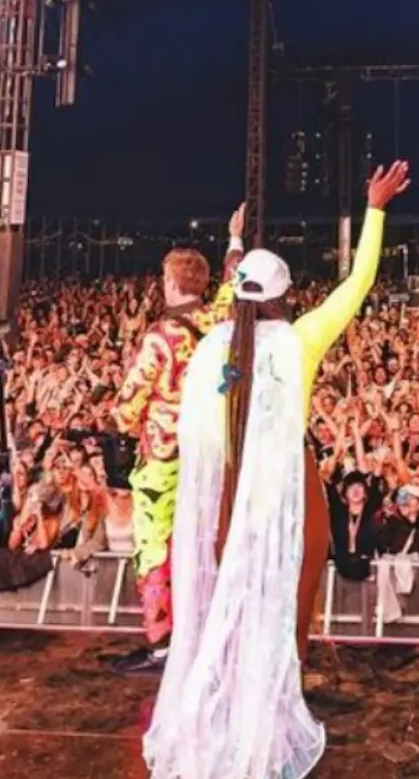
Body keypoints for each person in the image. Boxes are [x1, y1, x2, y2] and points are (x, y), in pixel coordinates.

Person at [144, 162, 409, 779]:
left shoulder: (213, 345)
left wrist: (234, 241)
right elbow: (359, 281)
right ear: (287, 296)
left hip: (225, 497)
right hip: (288, 496)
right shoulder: (300, 340)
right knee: (288, 599)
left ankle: (225, 701)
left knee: (226, 602)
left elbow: (229, 294)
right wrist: (375, 209)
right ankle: (270, 705)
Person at [109, 206, 244, 674]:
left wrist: (124, 421)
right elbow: (233, 285)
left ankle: (162, 642)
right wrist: (234, 241)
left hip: (162, 459)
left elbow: (127, 409)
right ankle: (200, 628)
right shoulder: (217, 323)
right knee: (198, 542)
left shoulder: (160, 338)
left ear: (170, 282)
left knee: (153, 549)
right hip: (205, 455)